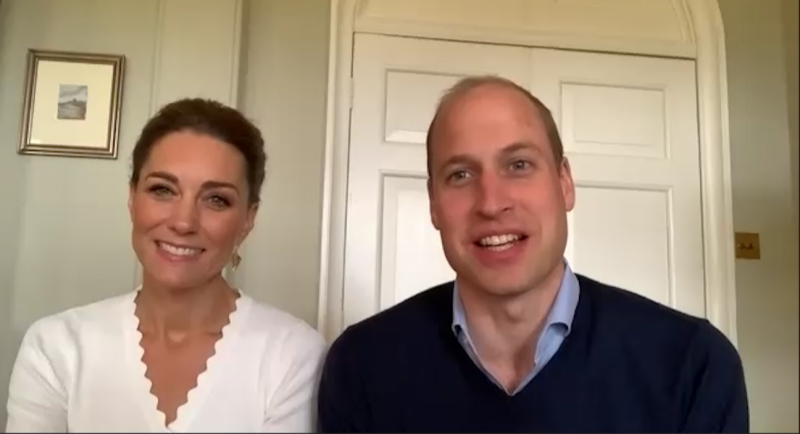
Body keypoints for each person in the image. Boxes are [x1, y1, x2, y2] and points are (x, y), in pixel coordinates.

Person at [316, 76, 749, 433]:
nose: (491, 202)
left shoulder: (692, 364)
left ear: (564, 183)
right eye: (460, 174)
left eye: (518, 165)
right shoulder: (361, 365)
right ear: (432, 203)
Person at [5, 98, 327, 432]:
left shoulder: (292, 354)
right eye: (162, 190)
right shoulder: (56, 347)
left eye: (216, 199)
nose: (184, 222)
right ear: (132, 198)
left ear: (248, 219)